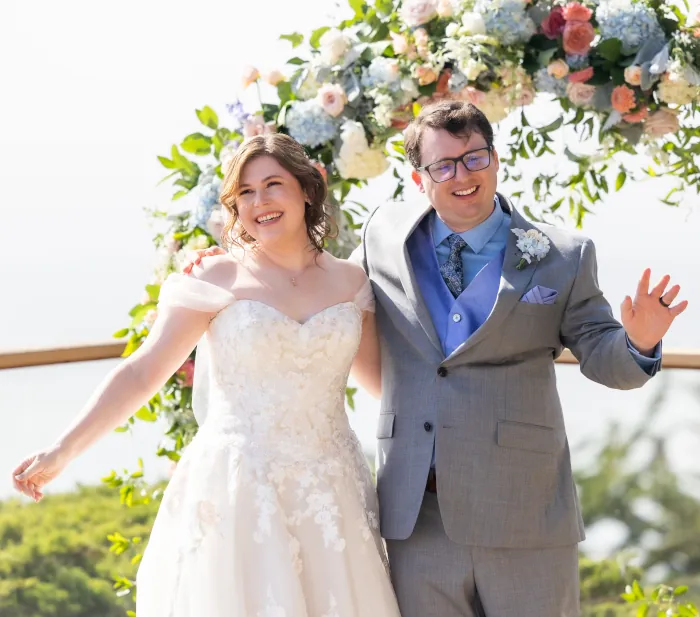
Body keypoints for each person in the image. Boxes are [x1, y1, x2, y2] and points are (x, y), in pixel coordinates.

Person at [186, 101, 688, 617]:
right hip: (414, 518)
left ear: (494, 159)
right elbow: (311, 280)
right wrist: (225, 261)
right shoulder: (382, 238)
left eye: (474, 158)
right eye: (442, 165)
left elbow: (606, 356)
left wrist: (639, 342)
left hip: (524, 512)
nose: (462, 176)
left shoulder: (564, 255)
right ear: (418, 178)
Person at [11, 133, 401, 617]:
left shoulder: (351, 282)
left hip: (333, 493)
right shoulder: (214, 278)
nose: (260, 202)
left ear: (306, 189)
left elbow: (385, 385)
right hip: (240, 492)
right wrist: (62, 450)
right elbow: (141, 372)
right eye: (245, 193)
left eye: (273, 185)